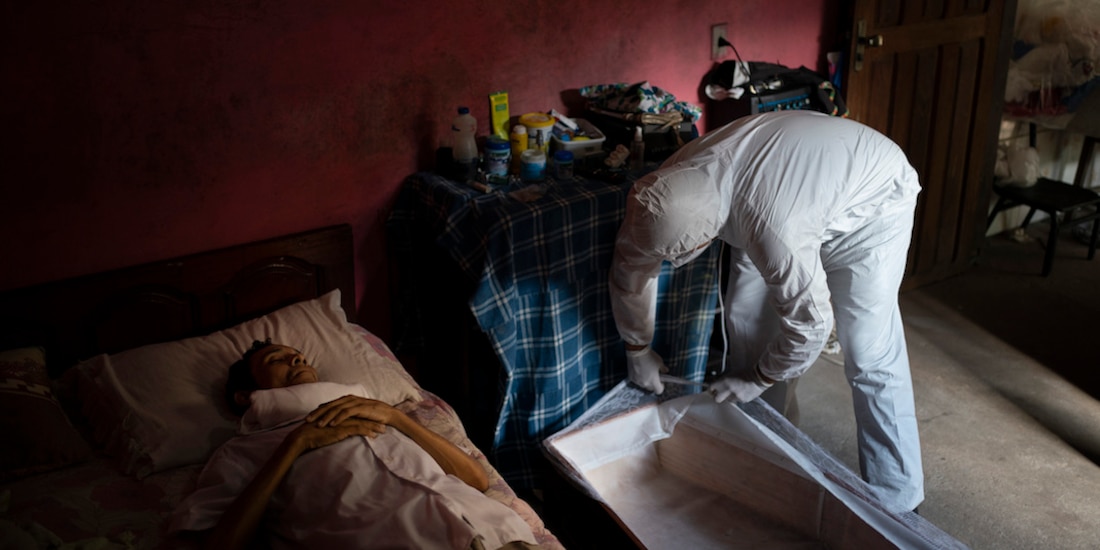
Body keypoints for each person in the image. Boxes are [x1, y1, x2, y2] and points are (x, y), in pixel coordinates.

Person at [608, 110, 924, 513]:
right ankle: (772, 449)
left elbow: (812, 323)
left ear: (705, 237)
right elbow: (633, 263)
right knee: (746, 319)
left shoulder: (773, 229)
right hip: (779, 181)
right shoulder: (668, 186)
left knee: (867, 348)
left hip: (874, 194)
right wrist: (637, 346)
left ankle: (900, 497)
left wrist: (759, 378)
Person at [169, 339, 537, 550]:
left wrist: (396, 418)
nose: (296, 358)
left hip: (494, 533)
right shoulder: (243, 450)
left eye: (297, 354)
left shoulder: (375, 411)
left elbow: (476, 481)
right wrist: (296, 444)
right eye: (276, 359)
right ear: (244, 395)